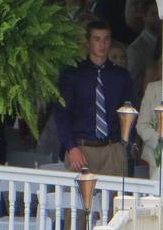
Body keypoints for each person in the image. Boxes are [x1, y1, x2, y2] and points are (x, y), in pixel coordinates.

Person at [55, 21, 135, 176]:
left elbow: (129, 113)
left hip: (113, 148)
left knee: (116, 199)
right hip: (82, 148)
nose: (102, 44)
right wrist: (71, 147)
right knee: (79, 199)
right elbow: (62, 115)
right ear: (88, 42)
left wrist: (126, 145)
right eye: (97, 39)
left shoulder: (121, 76)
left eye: (106, 39)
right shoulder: (73, 74)